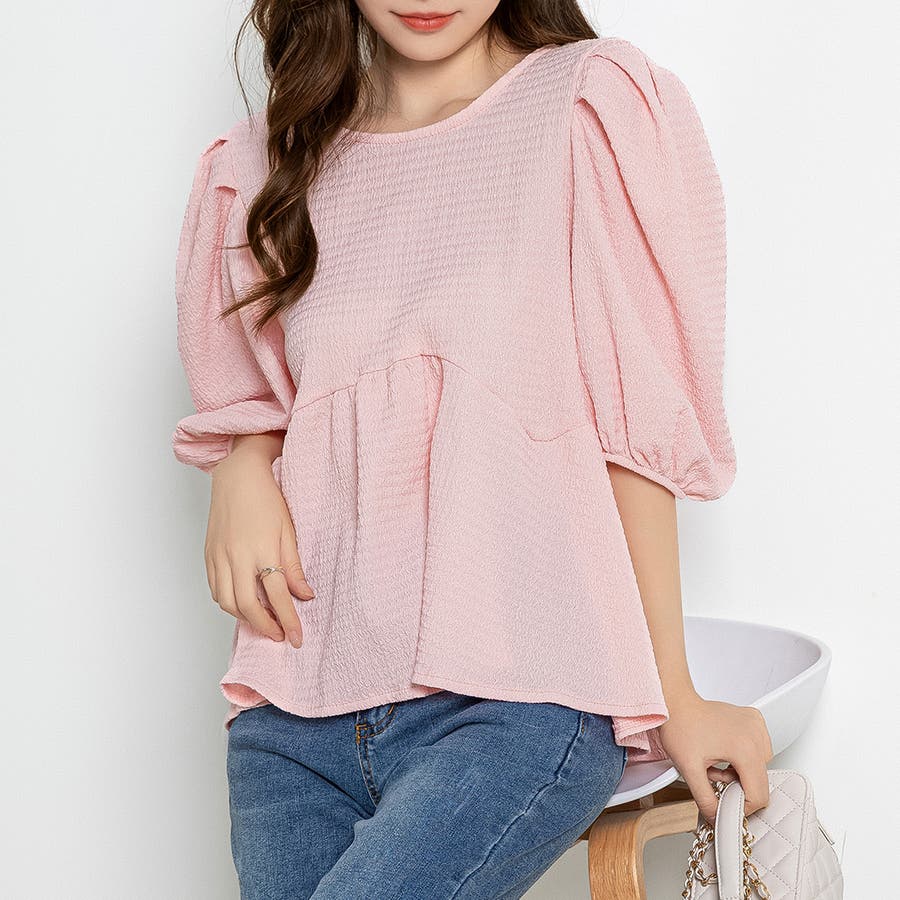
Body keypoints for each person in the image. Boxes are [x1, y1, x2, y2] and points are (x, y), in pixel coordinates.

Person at [171, 1, 773, 897]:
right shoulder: (261, 163)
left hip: (518, 700)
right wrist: (241, 463)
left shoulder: (583, 108)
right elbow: (258, 397)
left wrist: (673, 696)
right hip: (292, 716)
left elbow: (632, 429)